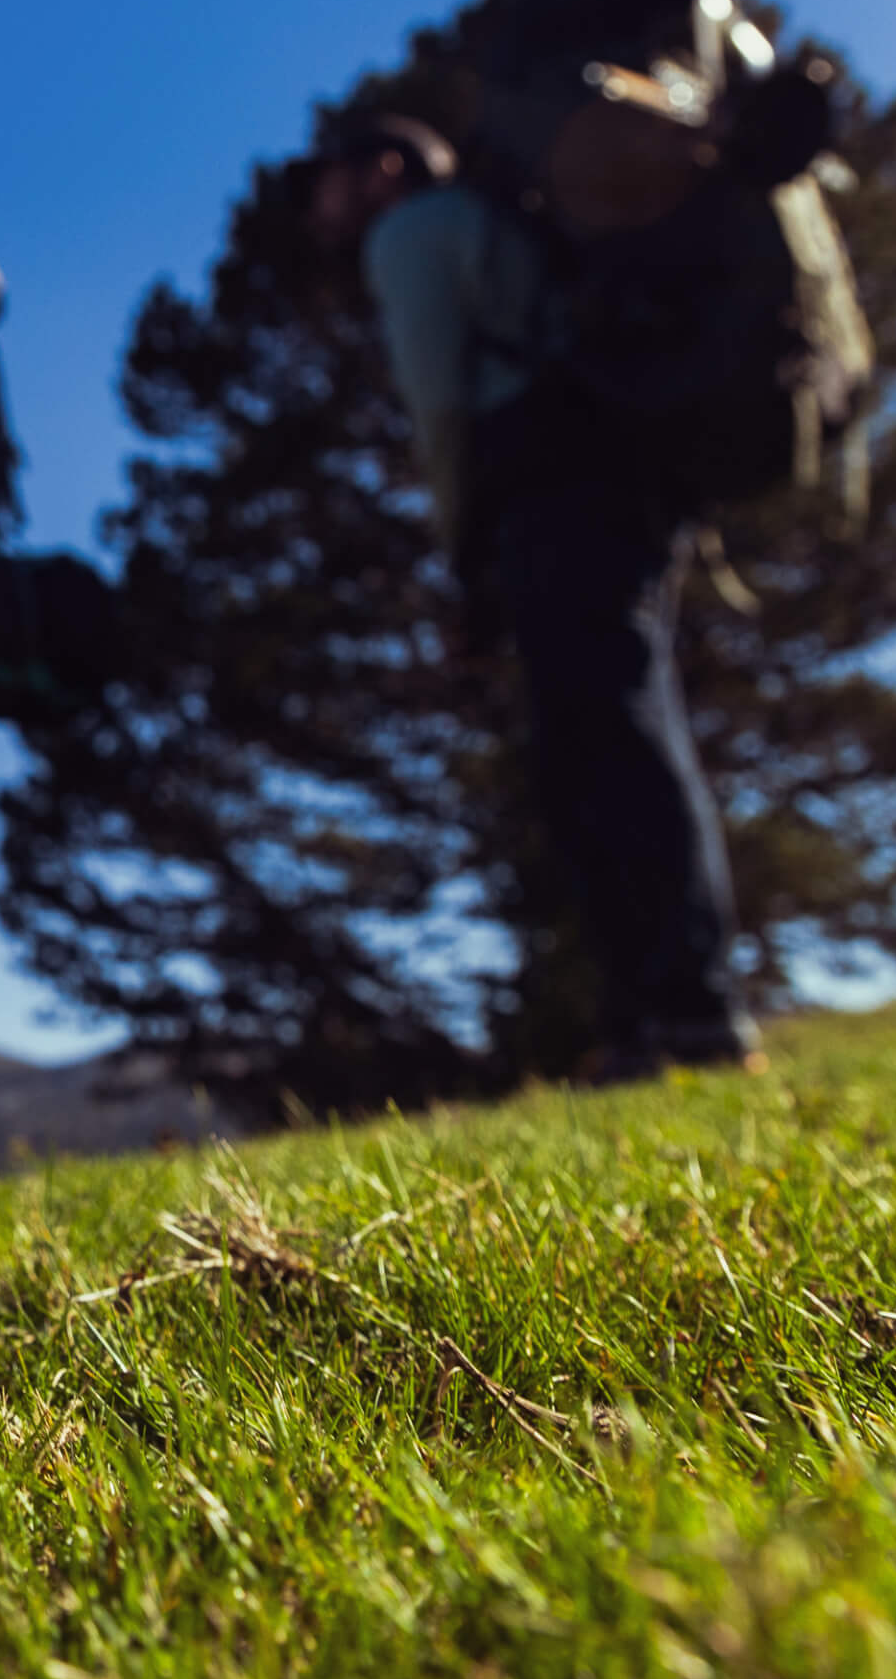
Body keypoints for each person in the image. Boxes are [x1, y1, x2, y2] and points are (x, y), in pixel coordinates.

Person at [307, 114, 758, 1081]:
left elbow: (439, 404)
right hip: (615, 475)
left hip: (554, 487)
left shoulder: (412, 233)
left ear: (382, 170)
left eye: (329, 178)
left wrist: (464, 554)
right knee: (614, 725)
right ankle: (658, 1012)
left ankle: (687, 1012)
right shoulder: (493, 224)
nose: (319, 203)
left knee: (611, 736)